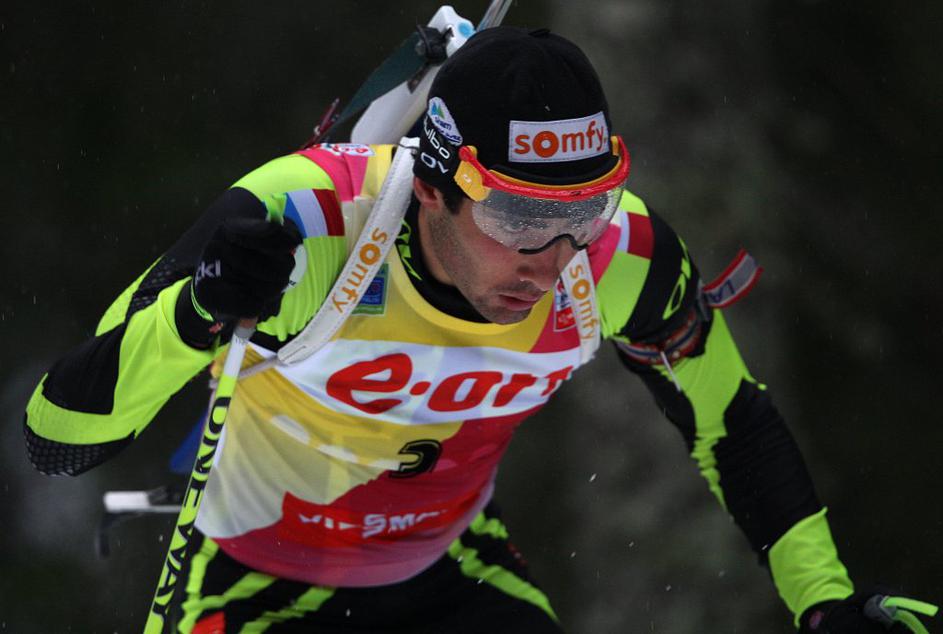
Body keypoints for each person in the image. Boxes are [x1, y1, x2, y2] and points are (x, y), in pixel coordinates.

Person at [23, 26, 934, 633]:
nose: (554, 260)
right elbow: (58, 438)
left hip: (452, 577)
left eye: (584, 210)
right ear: (431, 185)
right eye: (518, 218)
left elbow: (732, 420)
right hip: (251, 585)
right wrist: (195, 315)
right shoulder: (307, 224)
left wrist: (824, 604)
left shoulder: (619, 257)